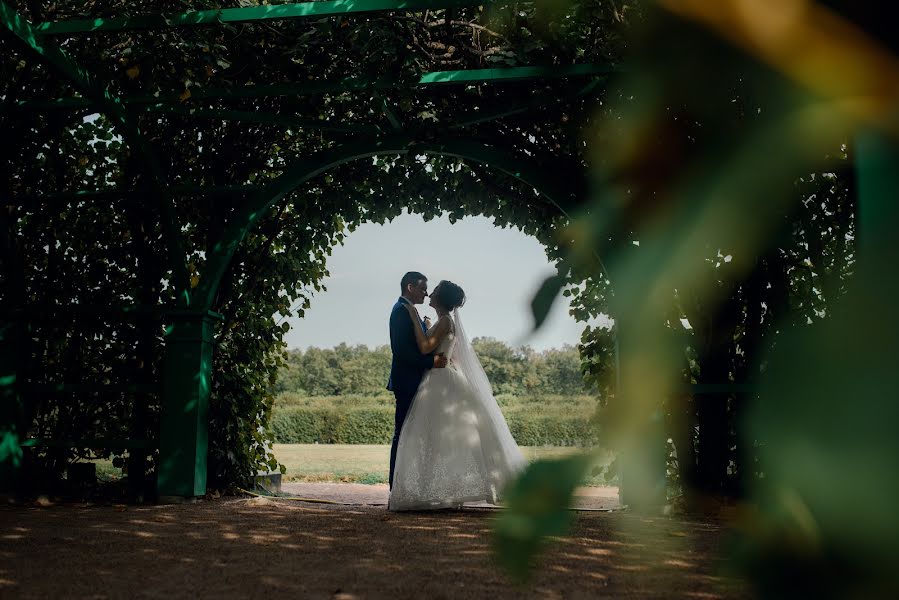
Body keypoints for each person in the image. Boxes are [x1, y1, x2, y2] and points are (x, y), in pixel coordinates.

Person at [388, 280, 526, 511]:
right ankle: (446, 491)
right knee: (443, 438)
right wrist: (429, 325)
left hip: (439, 382)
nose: (430, 293)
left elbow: (424, 348)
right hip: (442, 378)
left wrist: (414, 318)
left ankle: (439, 491)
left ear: (441, 299)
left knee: (436, 436)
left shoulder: (445, 321)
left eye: (435, 292)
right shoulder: (444, 321)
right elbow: (448, 350)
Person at [387, 271, 448, 490]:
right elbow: (401, 351)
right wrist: (432, 362)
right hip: (407, 381)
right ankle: (396, 487)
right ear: (410, 287)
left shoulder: (410, 311)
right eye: (423, 288)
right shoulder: (401, 311)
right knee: (402, 434)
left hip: (418, 382)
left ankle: (411, 486)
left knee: (414, 435)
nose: (426, 293)